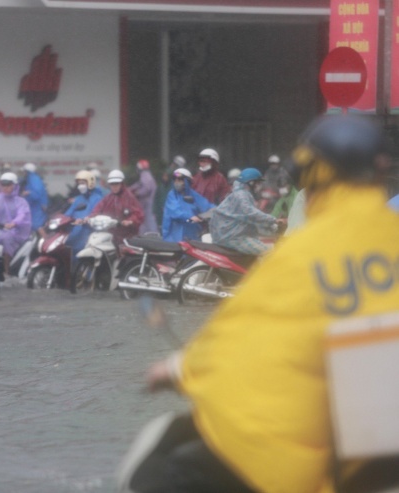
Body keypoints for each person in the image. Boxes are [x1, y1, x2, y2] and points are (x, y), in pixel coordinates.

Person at [143, 114, 399, 493]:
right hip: (378, 453)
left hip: (297, 470)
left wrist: (180, 369)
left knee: (168, 470)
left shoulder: (302, 255)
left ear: (311, 180)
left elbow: (236, 333)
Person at [209, 167, 282, 255]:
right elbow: (251, 214)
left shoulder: (241, 194)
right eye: (258, 183)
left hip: (229, 235)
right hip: (234, 238)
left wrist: (271, 226)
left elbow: (250, 219)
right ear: (251, 183)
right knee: (271, 252)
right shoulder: (241, 195)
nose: (259, 186)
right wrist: (273, 220)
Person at [88, 170, 144, 246]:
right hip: (110, 236)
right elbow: (97, 209)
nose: (114, 186)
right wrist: (89, 218)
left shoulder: (129, 197)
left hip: (127, 238)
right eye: (112, 184)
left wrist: (130, 221)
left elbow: (138, 214)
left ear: (122, 184)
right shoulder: (108, 198)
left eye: (116, 184)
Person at [161, 168, 214, 243]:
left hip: (192, 233)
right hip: (174, 235)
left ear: (187, 182)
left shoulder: (193, 194)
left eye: (179, 180)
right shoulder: (172, 195)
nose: (176, 182)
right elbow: (176, 212)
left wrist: (215, 210)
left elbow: (205, 205)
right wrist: (190, 217)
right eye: (175, 180)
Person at [65, 170, 105, 260]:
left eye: (82, 183)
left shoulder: (97, 198)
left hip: (87, 235)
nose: (80, 186)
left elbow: (95, 214)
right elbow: (68, 214)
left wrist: (85, 219)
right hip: (74, 235)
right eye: (79, 184)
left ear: (90, 183)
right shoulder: (78, 199)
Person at [128, 159, 158, 234]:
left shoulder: (145, 175)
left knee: (147, 219)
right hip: (148, 202)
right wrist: (130, 189)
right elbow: (138, 184)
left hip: (146, 202)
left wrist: (137, 193)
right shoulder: (147, 175)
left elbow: (146, 188)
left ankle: (150, 234)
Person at [19, 162, 48, 232]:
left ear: (27, 171)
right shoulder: (29, 179)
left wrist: (27, 193)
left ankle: (46, 240)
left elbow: (37, 194)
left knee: (36, 225)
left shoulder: (34, 179)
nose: (23, 173)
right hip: (33, 206)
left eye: (24, 171)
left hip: (37, 207)